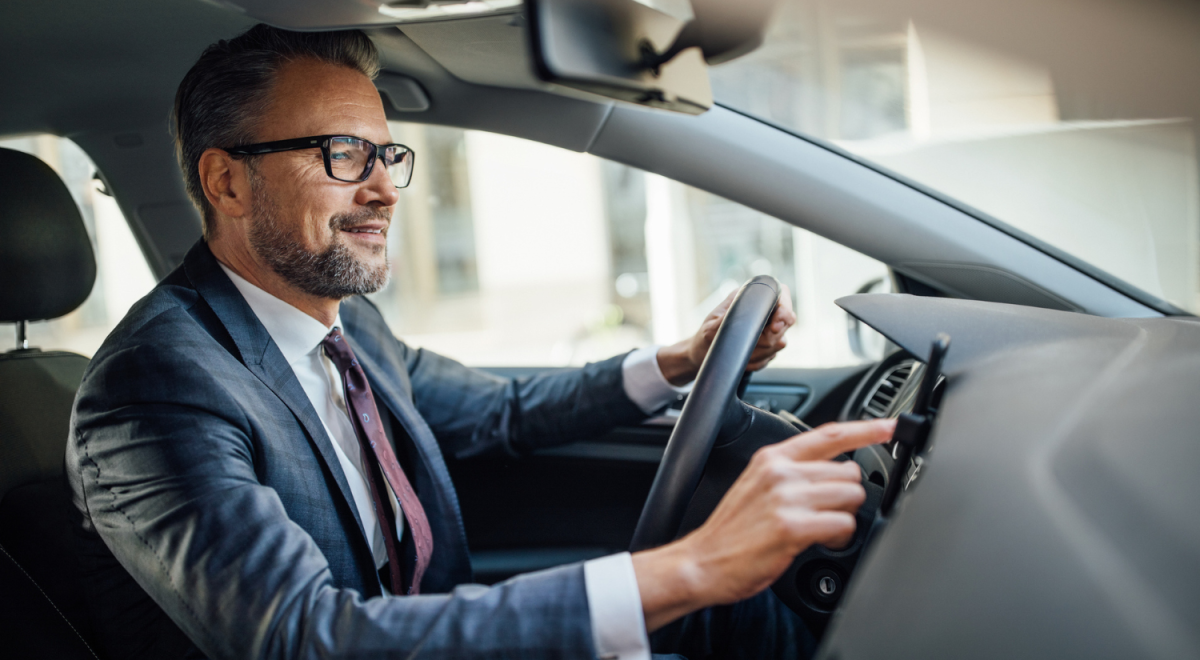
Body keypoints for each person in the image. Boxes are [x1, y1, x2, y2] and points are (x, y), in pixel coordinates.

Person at [65, 24, 895, 660]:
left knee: (739, 612)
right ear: (227, 181)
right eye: (343, 154)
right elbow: (304, 637)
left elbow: (502, 411)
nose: (386, 188)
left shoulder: (342, 327)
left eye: (386, 153)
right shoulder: (156, 388)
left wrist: (680, 362)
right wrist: (686, 568)